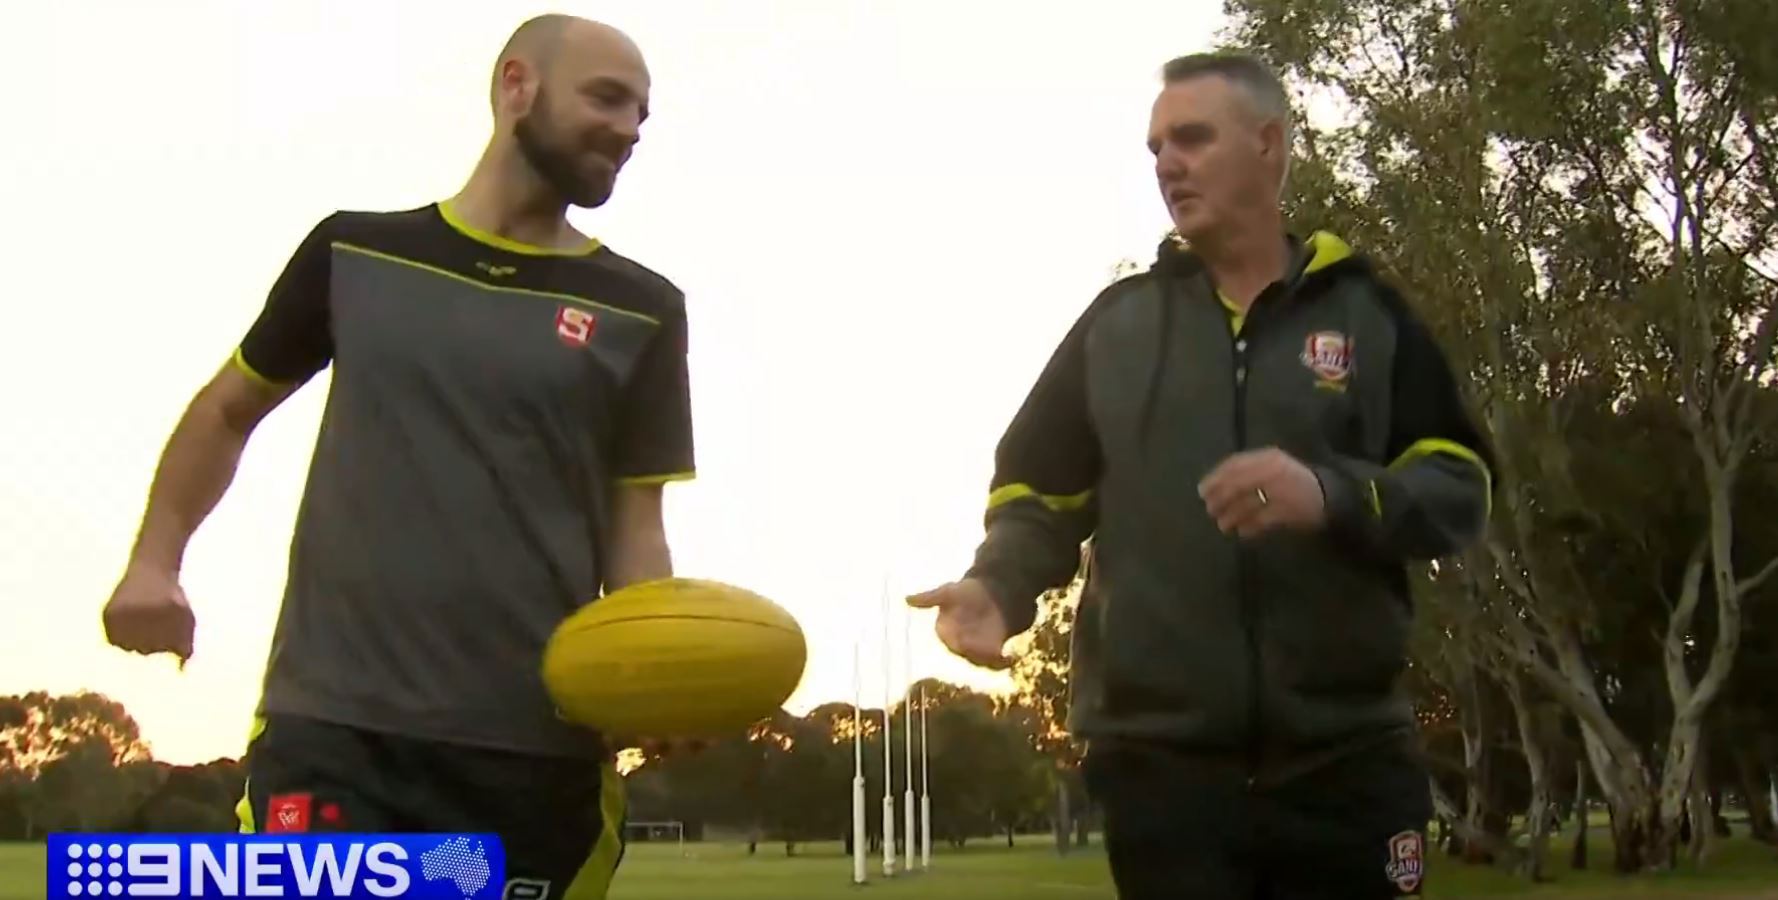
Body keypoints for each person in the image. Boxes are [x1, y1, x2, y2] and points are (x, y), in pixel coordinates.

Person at [100, 15, 692, 897]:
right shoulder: (357, 253)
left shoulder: (642, 307)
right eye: (607, 97)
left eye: (643, 113)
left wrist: (657, 673)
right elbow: (228, 410)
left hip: (532, 755)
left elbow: (634, 526)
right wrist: (155, 561)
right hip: (335, 735)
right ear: (515, 85)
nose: (630, 128)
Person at [909, 52, 1493, 899]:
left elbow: (1459, 483)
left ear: (1269, 144)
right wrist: (999, 585)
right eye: (1154, 149)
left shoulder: (1369, 315)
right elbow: (1037, 493)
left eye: (1190, 138)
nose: (1166, 164)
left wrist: (1333, 494)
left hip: (1350, 766)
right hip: (1164, 778)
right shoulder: (1118, 326)